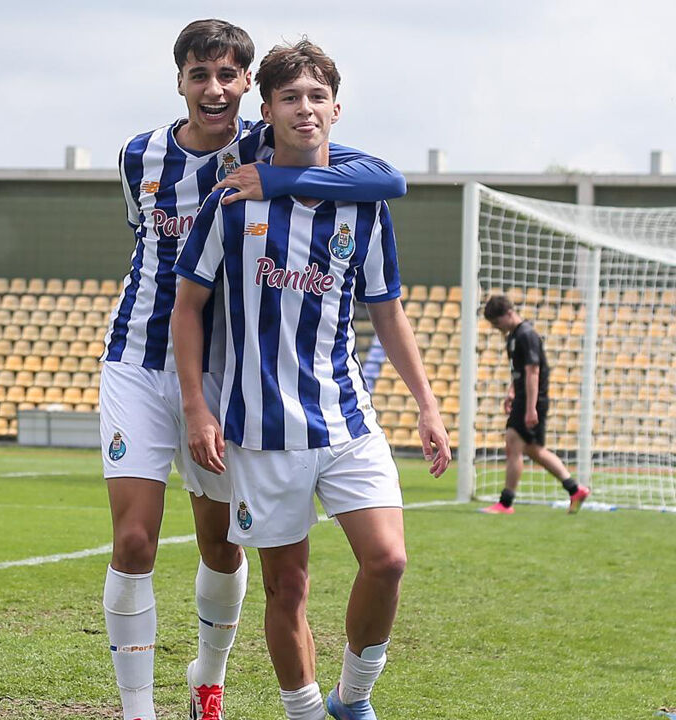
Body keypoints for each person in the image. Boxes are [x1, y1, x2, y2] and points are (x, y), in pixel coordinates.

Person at [99, 20, 408, 720]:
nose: (214, 89)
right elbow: (143, 245)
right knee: (135, 537)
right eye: (198, 75)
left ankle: (207, 677)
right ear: (178, 80)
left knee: (220, 544)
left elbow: (385, 178)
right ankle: (136, 711)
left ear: (247, 89)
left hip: (222, 375)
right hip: (136, 361)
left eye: (228, 76)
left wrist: (273, 175)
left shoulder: (264, 143)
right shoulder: (137, 155)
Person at [172, 39, 450, 720]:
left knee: (388, 560)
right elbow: (188, 306)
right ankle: (301, 712)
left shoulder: (365, 208)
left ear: (336, 109)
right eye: (290, 97)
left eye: (317, 96)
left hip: (345, 419)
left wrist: (427, 404)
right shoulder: (231, 202)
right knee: (286, 588)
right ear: (265, 110)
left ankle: (352, 700)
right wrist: (197, 409)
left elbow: (388, 313)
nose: (305, 108)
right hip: (261, 430)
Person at [481, 294, 590, 514]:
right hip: (523, 397)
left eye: (496, 322)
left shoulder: (526, 335)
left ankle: (505, 503)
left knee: (512, 443)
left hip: (532, 399)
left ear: (509, 313)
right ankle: (574, 489)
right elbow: (520, 371)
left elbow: (533, 371)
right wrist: (512, 391)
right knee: (533, 450)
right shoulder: (513, 336)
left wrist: (530, 408)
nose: (495, 327)